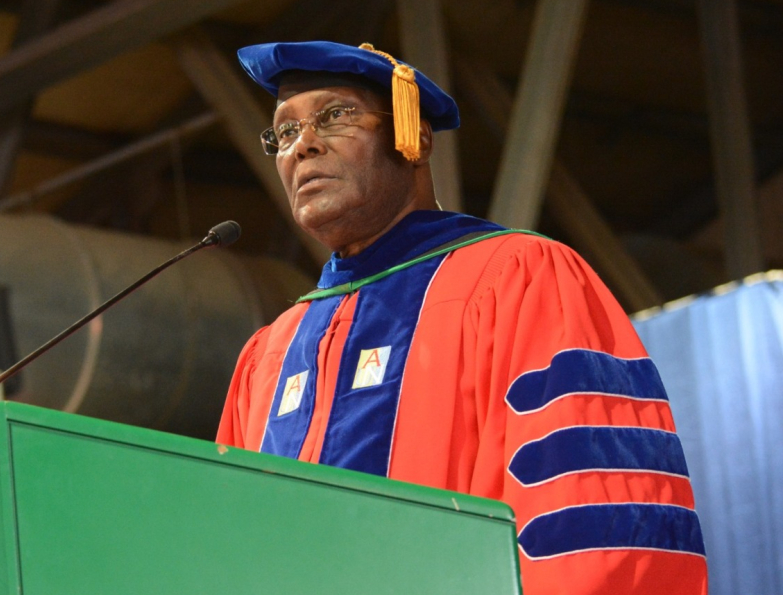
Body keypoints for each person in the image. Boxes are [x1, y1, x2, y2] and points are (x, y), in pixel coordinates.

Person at [217, 41, 707, 595]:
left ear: (414, 137)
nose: (302, 145)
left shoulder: (520, 277)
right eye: (283, 132)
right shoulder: (270, 354)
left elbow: (593, 515)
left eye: (334, 116)